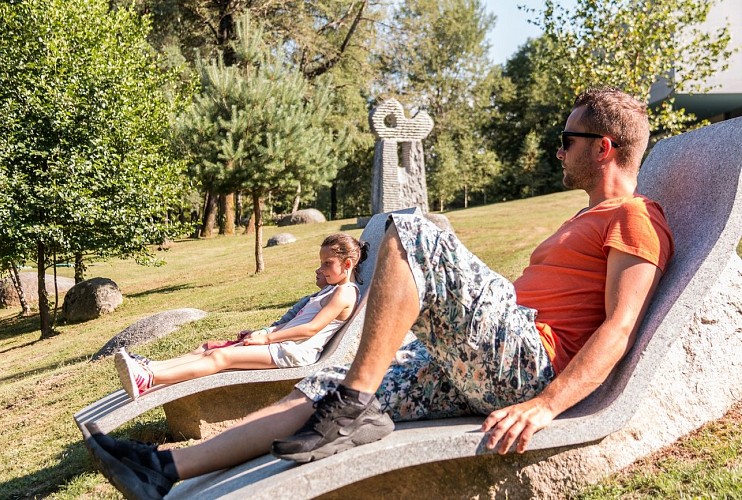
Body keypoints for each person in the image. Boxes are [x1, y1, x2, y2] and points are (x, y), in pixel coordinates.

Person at [90, 87, 674, 498]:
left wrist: (546, 406)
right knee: (322, 386)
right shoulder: (586, 217)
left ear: (603, 148)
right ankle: (166, 468)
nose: (558, 149)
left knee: (411, 228)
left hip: (529, 364)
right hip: (490, 357)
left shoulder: (634, 219)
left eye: (567, 138)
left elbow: (618, 328)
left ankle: (352, 409)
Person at [114, 233, 368, 400]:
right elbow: (296, 322)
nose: (321, 269)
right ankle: (152, 368)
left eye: (327, 264)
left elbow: (311, 329)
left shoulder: (345, 293)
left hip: (294, 352)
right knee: (210, 350)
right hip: (283, 343)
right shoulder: (334, 289)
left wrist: (267, 340)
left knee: (221, 356)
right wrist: (265, 333)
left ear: (347, 264)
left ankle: (149, 378)